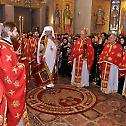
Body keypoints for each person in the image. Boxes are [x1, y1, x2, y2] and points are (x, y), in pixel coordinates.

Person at [0, 22, 30, 126]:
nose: (17, 33)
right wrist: (22, 66)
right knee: (12, 111)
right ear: (9, 32)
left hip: (5, 84)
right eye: (15, 31)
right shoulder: (5, 48)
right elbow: (8, 73)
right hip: (7, 87)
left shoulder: (7, 45)